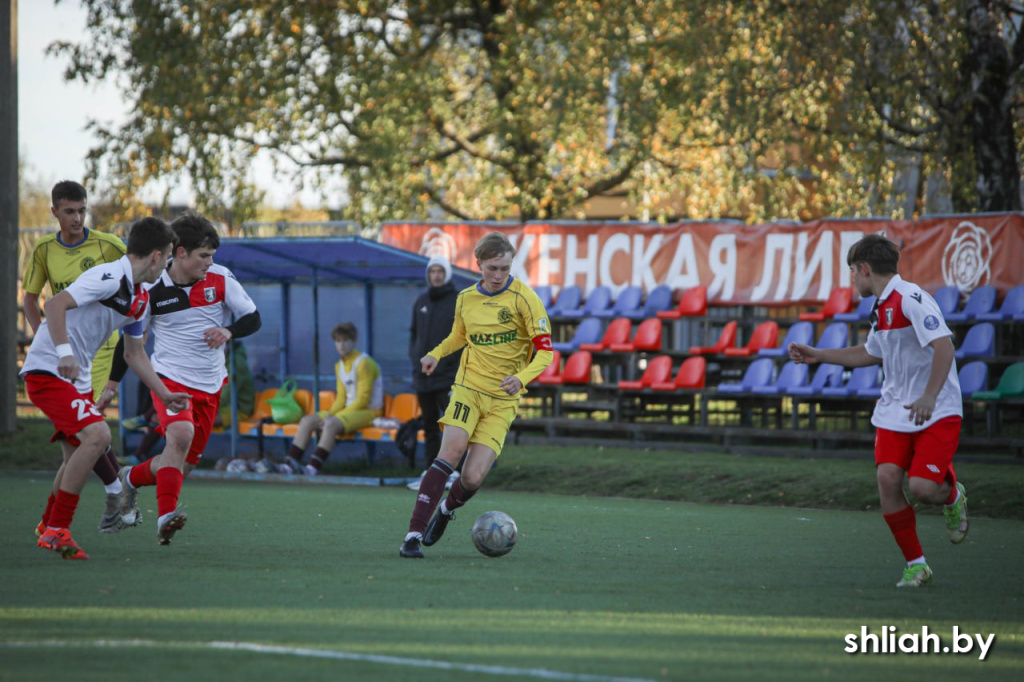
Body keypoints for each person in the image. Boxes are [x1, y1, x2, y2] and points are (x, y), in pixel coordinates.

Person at [788, 234, 969, 588]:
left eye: (853, 273)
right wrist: (819, 354)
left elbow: (944, 347)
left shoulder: (912, 298)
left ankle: (953, 495)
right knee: (887, 479)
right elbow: (872, 353)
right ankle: (917, 565)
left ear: (864, 269)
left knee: (921, 487)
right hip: (894, 410)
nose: (853, 280)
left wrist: (930, 396)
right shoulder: (881, 307)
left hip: (937, 409)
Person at [21, 217, 190, 560]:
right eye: (169, 257)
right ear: (157, 256)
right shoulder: (108, 276)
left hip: (75, 380)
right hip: (48, 370)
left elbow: (134, 353)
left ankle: (46, 525)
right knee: (98, 436)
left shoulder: (141, 297)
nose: (169, 265)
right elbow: (53, 305)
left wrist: (164, 393)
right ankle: (58, 529)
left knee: (74, 457)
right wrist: (64, 353)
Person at [399, 232, 553, 558]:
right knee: (451, 451)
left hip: (503, 401)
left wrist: (521, 377)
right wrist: (435, 354)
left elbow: (545, 354)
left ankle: (445, 510)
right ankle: (412, 535)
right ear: (479, 264)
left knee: (472, 477)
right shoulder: (466, 298)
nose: (499, 276)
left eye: (505, 268)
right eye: (493, 268)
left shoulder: (525, 298)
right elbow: (458, 335)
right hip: (468, 389)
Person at [111, 213, 261, 546]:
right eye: (203, 256)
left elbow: (253, 318)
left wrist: (228, 330)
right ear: (180, 253)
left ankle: (130, 478)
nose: (210, 262)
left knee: (183, 464)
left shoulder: (220, 278)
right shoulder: (151, 287)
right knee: (180, 434)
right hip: (170, 379)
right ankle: (166, 517)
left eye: (212, 256)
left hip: (211, 384)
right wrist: (111, 384)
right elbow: (130, 342)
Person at [22, 180, 130, 533]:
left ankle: (105, 498)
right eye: (69, 211)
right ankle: (114, 492)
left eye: (82, 210)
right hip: (63, 358)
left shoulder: (109, 246)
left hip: (96, 354)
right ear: (54, 211)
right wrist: (49, 340)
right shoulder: (43, 249)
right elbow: (33, 299)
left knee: (89, 436)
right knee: (86, 438)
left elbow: (133, 282)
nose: (77, 218)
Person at [284, 322, 384, 475]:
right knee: (307, 421)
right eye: (338, 341)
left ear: (354, 341)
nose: (341, 345)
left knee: (330, 424)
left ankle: (311, 469)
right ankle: (288, 466)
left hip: (369, 411)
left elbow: (363, 400)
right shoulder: (339, 365)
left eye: (345, 340)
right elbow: (341, 398)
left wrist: (333, 418)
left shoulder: (364, 363)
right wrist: (330, 414)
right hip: (347, 411)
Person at [406, 256, 462, 491]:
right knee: (429, 425)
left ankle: (454, 471)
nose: (436, 275)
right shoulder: (421, 301)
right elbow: (413, 336)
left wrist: (449, 367)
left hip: (447, 378)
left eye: (441, 271)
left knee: (453, 425)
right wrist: (416, 361)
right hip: (423, 378)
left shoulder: (458, 301)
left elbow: (462, 338)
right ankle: (431, 471)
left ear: (447, 273)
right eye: (433, 271)